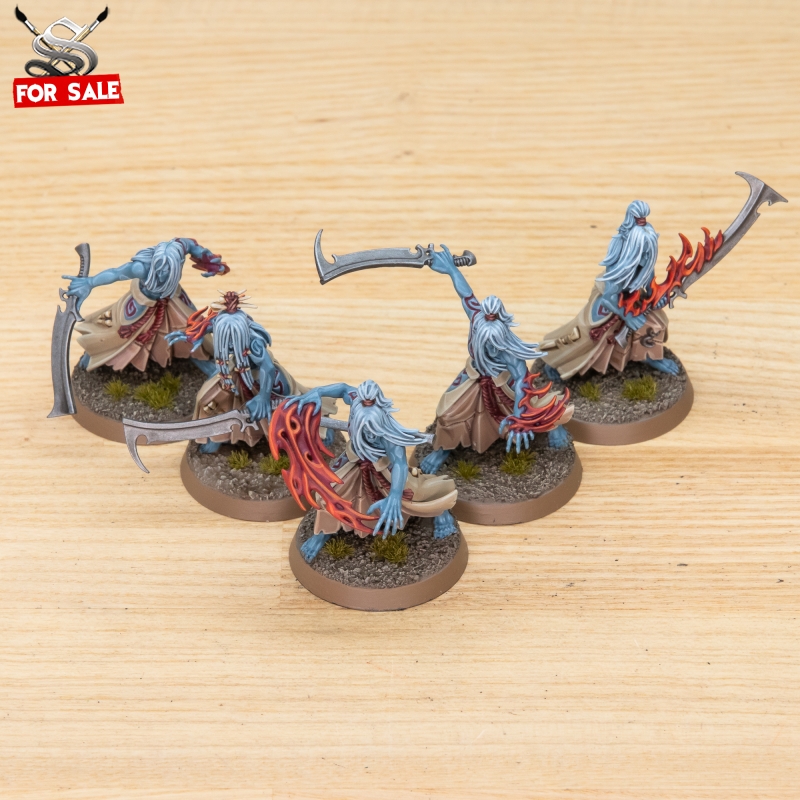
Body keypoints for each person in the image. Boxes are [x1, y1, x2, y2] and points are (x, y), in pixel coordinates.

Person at [419, 246, 573, 477]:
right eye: (486, 343)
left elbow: (521, 383)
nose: (491, 349)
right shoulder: (477, 319)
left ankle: (555, 426)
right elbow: (466, 295)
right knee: (447, 413)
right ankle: (444, 449)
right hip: (474, 377)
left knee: (534, 410)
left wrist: (519, 419)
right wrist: (451, 270)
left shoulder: (510, 353)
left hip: (505, 385)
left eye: (495, 344)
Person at [541, 201, 678, 381]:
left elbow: (649, 282)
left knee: (655, 321)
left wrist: (656, 297)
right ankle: (554, 361)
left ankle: (650, 357)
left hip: (632, 298)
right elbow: (608, 298)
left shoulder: (646, 253)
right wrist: (629, 317)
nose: (647, 256)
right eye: (644, 252)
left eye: (649, 251)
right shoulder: (620, 262)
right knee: (586, 336)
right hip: (609, 302)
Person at [64, 237, 228, 372]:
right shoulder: (141, 267)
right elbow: (115, 273)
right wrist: (90, 282)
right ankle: (91, 355)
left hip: (172, 299)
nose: (161, 274)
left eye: (166, 271)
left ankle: (205, 362)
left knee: (194, 329)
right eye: (159, 269)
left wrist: (211, 262)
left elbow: (194, 246)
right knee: (117, 333)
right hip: (142, 304)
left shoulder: (179, 248)